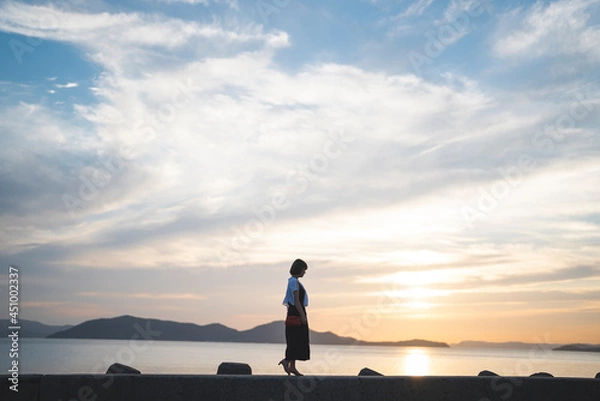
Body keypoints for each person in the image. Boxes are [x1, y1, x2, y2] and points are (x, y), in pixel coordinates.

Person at [278, 258, 309, 376]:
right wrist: (302, 316)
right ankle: (287, 361)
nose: (304, 272)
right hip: (296, 313)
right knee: (296, 339)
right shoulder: (293, 282)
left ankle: (292, 366)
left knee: (296, 339)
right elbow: (296, 300)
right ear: (299, 269)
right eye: (303, 270)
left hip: (295, 312)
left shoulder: (294, 281)